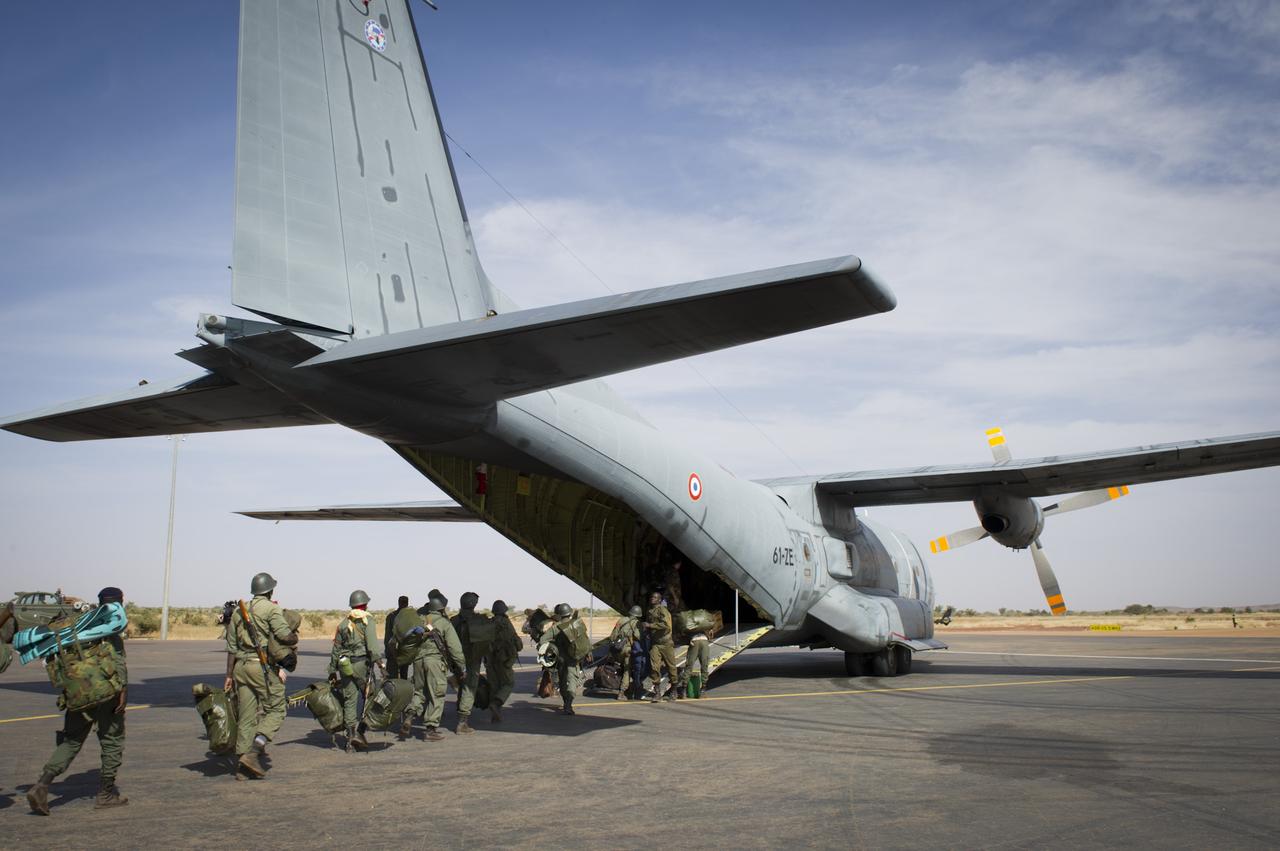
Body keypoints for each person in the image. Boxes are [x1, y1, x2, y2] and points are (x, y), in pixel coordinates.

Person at [26, 586, 130, 815]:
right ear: (119, 603)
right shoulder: (109, 628)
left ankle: (42, 785)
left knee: (71, 741)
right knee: (112, 740)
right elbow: (118, 663)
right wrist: (123, 692)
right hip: (106, 694)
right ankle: (106, 794)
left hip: (77, 694)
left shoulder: (79, 626)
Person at [224, 572, 297, 779]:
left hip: (240, 667)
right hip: (261, 667)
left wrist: (229, 675)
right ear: (270, 590)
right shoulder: (272, 609)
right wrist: (293, 637)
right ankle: (255, 751)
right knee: (277, 709)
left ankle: (242, 766)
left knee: (246, 716)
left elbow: (231, 647)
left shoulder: (239, 611)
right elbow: (284, 636)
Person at [398, 596, 464, 741]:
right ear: (442, 608)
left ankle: (409, 716)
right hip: (434, 661)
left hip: (418, 660)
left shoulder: (419, 620)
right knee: (437, 694)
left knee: (419, 692)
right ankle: (430, 729)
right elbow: (455, 648)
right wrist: (462, 667)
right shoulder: (444, 623)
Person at [328, 589, 383, 751]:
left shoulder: (343, 623)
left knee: (349, 700)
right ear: (365, 604)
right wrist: (381, 665)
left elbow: (336, 648)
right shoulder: (368, 621)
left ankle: (350, 738)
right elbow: (372, 646)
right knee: (371, 697)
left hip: (345, 665)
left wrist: (332, 670)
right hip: (361, 664)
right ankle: (361, 731)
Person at [450, 591, 493, 734]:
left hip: (455, 661)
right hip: (472, 661)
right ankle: (462, 722)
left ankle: (459, 707)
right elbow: (486, 643)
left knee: (462, 685)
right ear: (473, 604)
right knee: (469, 688)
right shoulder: (479, 620)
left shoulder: (453, 620)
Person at [545, 603, 587, 715]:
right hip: (575, 657)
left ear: (559, 614)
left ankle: (566, 702)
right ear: (570, 613)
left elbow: (542, 641)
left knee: (563, 680)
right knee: (573, 679)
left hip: (561, 659)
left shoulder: (555, 627)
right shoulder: (577, 624)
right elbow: (584, 640)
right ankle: (569, 703)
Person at [487, 600, 522, 721]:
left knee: (494, 685)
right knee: (508, 683)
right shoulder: (506, 623)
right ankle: (496, 704)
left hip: (490, 660)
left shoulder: (489, 623)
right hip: (504, 659)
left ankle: (495, 713)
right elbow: (517, 642)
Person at [645, 591, 680, 702]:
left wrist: (650, 625)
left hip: (666, 643)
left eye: (655, 597)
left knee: (671, 667)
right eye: (652, 597)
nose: (652, 598)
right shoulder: (650, 611)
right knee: (654, 667)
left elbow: (666, 626)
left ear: (660, 600)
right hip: (655, 644)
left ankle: (674, 690)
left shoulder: (663, 610)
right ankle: (657, 692)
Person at [610, 605, 644, 700]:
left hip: (618, 650)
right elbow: (638, 637)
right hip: (628, 650)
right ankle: (622, 692)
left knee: (623, 668)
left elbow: (613, 636)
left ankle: (626, 687)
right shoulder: (636, 623)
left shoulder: (621, 620)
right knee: (627, 670)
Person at [682, 620, 716, 698]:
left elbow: (683, 633)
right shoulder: (705, 624)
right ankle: (703, 690)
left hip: (694, 642)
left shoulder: (690, 624)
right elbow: (711, 633)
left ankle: (684, 689)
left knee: (689, 666)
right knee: (704, 665)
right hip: (704, 642)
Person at [384, 595, 410, 679]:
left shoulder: (391, 616)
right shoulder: (409, 617)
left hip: (393, 648)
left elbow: (387, 636)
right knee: (403, 675)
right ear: (407, 603)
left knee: (392, 677)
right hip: (404, 650)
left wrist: (388, 650)